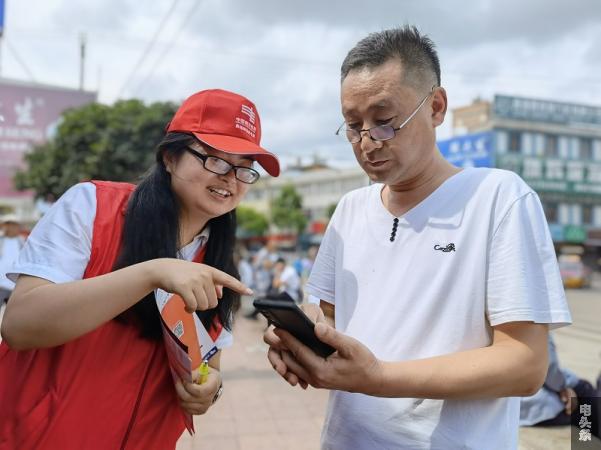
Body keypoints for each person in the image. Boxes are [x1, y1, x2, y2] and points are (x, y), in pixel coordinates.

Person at [264, 26, 571, 450]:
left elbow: (525, 365)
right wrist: (302, 339)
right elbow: (326, 313)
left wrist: (379, 378)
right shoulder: (351, 209)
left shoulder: (499, 198)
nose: (367, 142)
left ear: (437, 107)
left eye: (385, 122)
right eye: (353, 126)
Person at [0, 88, 280, 449]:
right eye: (214, 159)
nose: (230, 177)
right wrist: (152, 273)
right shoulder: (91, 206)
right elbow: (20, 325)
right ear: (169, 157)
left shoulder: (220, 265)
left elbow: (209, 365)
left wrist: (210, 389)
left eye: (245, 168)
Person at [520, 335, 600, 439]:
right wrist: (563, 387)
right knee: (585, 397)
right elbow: (549, 369)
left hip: (520, 403)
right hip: (536, 404)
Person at [0, 215, 26, 305]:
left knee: (13, 313)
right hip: (1, 284)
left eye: (14, 225)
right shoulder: (1, 240)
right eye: (9, 225)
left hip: (15, 285)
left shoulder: (22, 241)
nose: (12, 228)